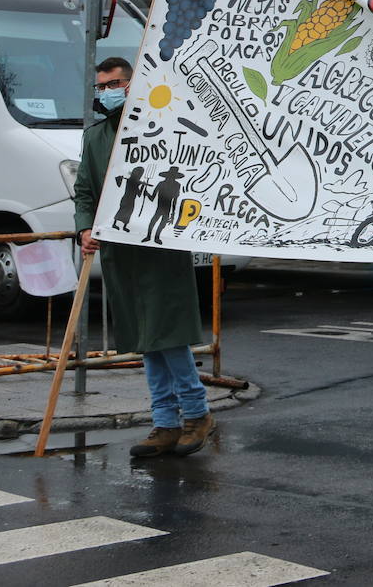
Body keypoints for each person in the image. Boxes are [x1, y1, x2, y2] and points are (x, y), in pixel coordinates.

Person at [73, 56, 216, 458]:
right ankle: (165, 423)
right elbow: (86, 190)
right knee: (146, 339)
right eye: (102, 87)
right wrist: (85, 228)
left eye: (115, 83)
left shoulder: (162, 125)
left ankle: (196, 413)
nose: (108, 92)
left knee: (167, 334)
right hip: (122, 253)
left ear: (133, 83)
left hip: (158, 246)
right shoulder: (97, 136)